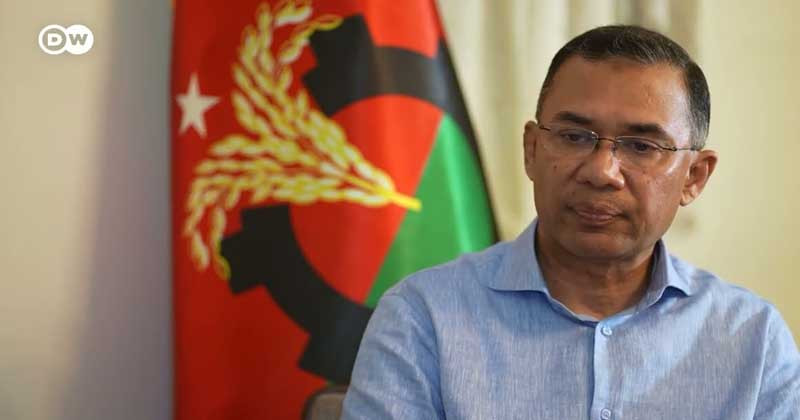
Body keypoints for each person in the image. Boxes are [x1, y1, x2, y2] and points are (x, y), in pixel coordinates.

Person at [341, 25, 800, 419]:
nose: (602, 172)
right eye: (575, 136)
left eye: (642, 146)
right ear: (532, 150)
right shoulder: (423, 316)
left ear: (694, 177)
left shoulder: (752, 338)